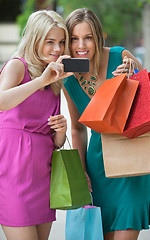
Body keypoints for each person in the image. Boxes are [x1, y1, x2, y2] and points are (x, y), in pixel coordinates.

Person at [63, 8, 150, 240]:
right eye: (74, 38)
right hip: (99, 168)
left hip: (133, 161)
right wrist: (82, 171)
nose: (81, 46)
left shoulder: (119, 55)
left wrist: (131, 76)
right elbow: (77, 128)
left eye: (88, 37)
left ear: (98, 37)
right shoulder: (68, 76)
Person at [0, 10, 72, 240]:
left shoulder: (53, 79)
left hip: (42, 175)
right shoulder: (17, 66)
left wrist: (61, 130)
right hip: (12, 175)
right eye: (49, 42)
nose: (57, 49)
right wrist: (41, 80)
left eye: (61, 42)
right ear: (34, 39)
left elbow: (55, 142)